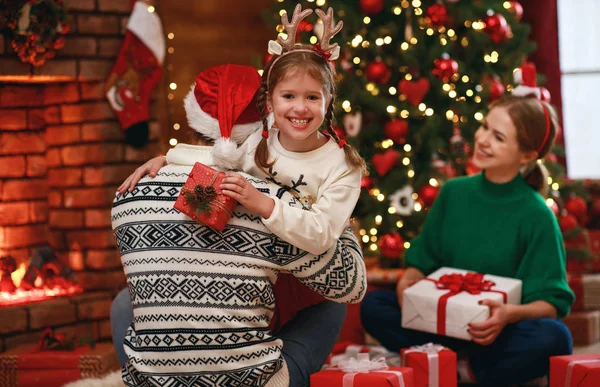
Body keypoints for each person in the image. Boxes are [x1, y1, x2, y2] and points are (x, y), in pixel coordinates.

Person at [111, 64, 367, 387]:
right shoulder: (265, 200)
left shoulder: (129, 193)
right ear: (267, 116)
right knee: (332, 302)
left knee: (124, 303)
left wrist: (168, 158)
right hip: (250, 381)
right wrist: (336, 217)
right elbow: (352, 285)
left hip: (156, 380)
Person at [118, 5, 367, 333]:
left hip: (302, 275)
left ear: (328, 100)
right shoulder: (261, 142)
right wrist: (166, 158)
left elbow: (322, 233)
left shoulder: (343, 165)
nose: (300, 108)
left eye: (312, 97)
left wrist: (264, 203)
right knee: (127, 303)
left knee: (327, 309)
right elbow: (218, 158)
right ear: (271, 103)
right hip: (251, 269)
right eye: (288, 96)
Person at [361, 92, 575, 386]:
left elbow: (551, 304)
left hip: (499, 334)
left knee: (554, 336)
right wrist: (408, 283)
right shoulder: (454, 193)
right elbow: (422, 261)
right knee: (375, 306)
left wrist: (509, 314)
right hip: (441, 325)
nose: (483, 139)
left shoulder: (537, 215)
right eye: (485, 127)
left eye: (498, 137)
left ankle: (465, 369)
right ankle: (458, 364)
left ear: (526, 156)